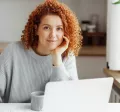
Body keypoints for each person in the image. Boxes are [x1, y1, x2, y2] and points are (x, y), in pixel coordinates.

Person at [0, 0, 82, 103]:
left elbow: (68, 97)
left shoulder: (66, 55)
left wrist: (57, 59)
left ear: (65, 32)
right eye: (46, 28)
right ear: (36, 29)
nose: (53, 35)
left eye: (59, 29)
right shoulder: (12, 52)